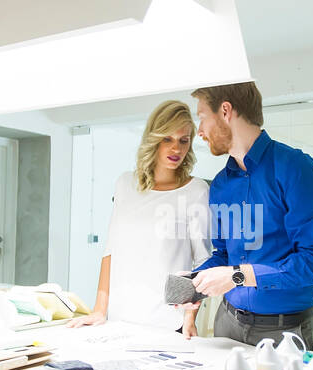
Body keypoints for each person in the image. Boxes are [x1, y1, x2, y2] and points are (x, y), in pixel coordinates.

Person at [187, 81, 313, 349]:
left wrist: (237, 276)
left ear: (226, 111)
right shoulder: (220, 184)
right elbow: (223, 256)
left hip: (284, 331)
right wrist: (194, 282)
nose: (199, 131)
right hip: (227, 323)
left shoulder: (295, 170)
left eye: (202, 117)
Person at [68, 100, 210, 333]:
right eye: (168, 139)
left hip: (168, 322)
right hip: (119, 318)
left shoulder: (196, 191)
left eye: (184, 141)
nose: (177, 149)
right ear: (154, 138)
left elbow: (202, 262)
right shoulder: (125, 184)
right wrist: (98, 310)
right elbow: (110, 251)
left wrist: (190, 317)